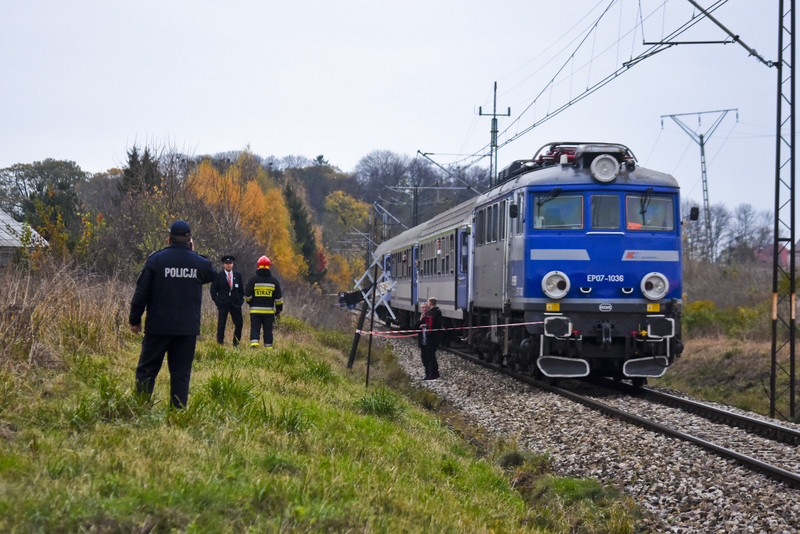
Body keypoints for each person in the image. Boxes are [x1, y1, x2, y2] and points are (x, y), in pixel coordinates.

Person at [129, 220, 215, 408]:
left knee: (147, 370)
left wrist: (134, 319)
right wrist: (192, 254)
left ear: (169, 239)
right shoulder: (199, 263)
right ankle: (178, 412)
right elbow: (212, 273)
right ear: (190, 241)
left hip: (158, 326)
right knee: (181, 374)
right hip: (186, 329)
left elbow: (141, 292)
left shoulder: (155, 260)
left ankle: (140, 408)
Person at [244, 255, 283, 349]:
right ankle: (268, 349)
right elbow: (278, 298)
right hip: (268, 312)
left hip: (255, 311)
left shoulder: (252, 280)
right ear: (269, 266)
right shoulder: (274, 281)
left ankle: (254, 346)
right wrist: (278, 310)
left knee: (255, 328)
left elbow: (247, 295)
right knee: (268, 330)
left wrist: (250, 302)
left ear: (258, 266)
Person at [209, 254, 244, 346]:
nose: (229, 265)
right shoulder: (218, 276)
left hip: (235, 304)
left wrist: (240, 301)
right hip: (223, 303)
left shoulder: (237, 275)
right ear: (223, 264)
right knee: (221, 324)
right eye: (227, 263)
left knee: (239, 323)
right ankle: (220, 343)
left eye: (230, 263)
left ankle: (236, 343)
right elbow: (213, 290)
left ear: (233, 264)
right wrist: (217, 301)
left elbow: (241, 291)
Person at [418, 297, 442, 380]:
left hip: (431, 339)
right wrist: (426, 325)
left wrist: (427, 335)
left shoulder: (432, 313)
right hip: (436, 337)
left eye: (427, 304)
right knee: (431, 357)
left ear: (430, 303)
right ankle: (435, 374)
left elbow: (431, 326)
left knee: (430, 357)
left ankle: (432, 375)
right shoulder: (438, 311)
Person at [416, 302, 429, 379]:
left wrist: (426, 325)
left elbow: (435, 325)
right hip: (422, 342)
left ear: (428, 308)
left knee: (430, 359)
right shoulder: (419, 316)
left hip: (430, 342)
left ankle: (430, 374)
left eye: (425, 307)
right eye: (422, 307)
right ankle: (427, 374)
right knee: (424, 359)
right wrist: (420, 319)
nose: (424, 309)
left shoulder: (431, 316)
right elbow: (414, 327)